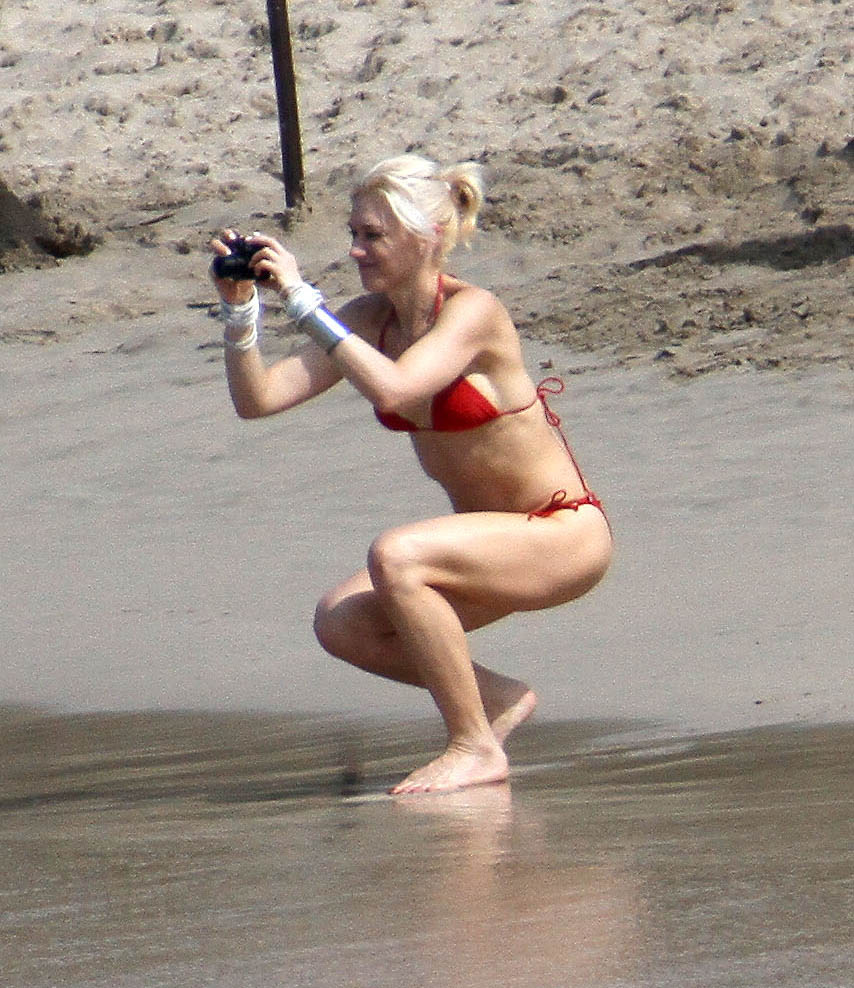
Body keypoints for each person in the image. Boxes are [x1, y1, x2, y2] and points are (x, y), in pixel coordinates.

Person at [210, 154, 613, 795]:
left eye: (373, 235)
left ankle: (475, 747)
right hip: (485, 545)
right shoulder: (369, 320)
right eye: (354, 233)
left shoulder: (474, 312)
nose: (355, 250)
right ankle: (495, 702)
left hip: (560, 533)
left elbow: (396, 390)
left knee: (396, 555)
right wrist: (241, 311)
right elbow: (257, 400)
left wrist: (302, 298)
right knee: (341, 622)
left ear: (427, 236)